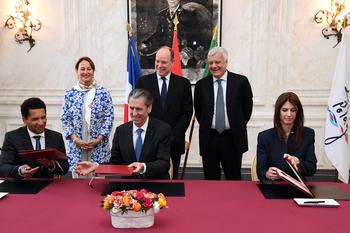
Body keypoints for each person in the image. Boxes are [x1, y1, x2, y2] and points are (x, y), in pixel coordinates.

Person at [75, 89, 171, 179]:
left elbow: (164, 163)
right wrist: (96, 166)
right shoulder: (121, 131)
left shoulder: (162, 130)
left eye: (139, 109)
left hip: (155, 184)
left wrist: (143, 167)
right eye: (131, 108)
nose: (134, 113)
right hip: (127, 187)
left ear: (149, 108)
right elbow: (115, 163)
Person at [194, 46, 253, 180]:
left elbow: (247, 109)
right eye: (210, 63)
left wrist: (236, 124)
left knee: (233, 179)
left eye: (217, 62)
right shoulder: (201, 85)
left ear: (226, 62)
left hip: (232, 138)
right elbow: (199, 112)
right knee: (210, 180)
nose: (214, 66)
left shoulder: (241, 82)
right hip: (210, 139)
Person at [136, 46, 193, 179]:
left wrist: (171, 136)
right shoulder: (142, 82)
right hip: (149, 141)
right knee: (148, 180)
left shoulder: (183, 84)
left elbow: (187, 113)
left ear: (172, 62)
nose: (159, 65)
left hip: (174, 142)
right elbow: (138, 111)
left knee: (172, 181)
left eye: (164, 62)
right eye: (157, 61)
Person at [60, 57, 114, 178]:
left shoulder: (103, 92)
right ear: (77, 72)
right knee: (78, 184)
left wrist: (99, 139)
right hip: (77, 147)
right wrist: (75, 139)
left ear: (93, 71)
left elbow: (109, 117)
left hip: (98, 146)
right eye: (82, 69)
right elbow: (65, 118)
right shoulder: (70, 94)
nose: (86, 72)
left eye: (89, 69)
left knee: (98, 183)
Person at [256, 92, 317, 184]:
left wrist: (298, 162)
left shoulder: (308, 134)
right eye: (284, 110)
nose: (289, 114)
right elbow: (260, 171)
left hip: (299, 186)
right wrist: (267, 174)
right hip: (274, 186)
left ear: (298, 112)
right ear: (278, 112)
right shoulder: (264, 136)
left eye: (293, 110)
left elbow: (312, 169)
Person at [0, 98, 69, 178]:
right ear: (24, 120)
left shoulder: (56, 137)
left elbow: (64, 168)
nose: (41, 123)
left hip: (49, 186)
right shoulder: (12, 137)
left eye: (43, 118)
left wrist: (51, 164)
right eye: (35, 119)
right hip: (22, 186)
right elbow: (3, 167)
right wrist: (20, 170)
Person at [139, 0, 212, 68]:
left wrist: (188, 50)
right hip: (167, 53)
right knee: (146, 61)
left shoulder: (189, 14)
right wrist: (147, 42)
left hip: (182, 54)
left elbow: (196, 36)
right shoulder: (162, 14)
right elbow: (159, 34)